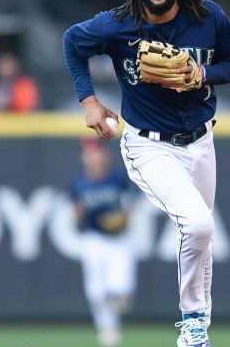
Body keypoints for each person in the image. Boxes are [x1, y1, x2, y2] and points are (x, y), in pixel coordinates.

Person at [63, 0, 230, 347]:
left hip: (201, 140)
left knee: (204, 234)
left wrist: (202, 73)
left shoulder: (208, 16)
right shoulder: (117, 24)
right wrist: (88, 100)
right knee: (197, 223)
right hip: (148, 144)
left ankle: (199, 330)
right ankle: (193, 322)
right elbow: (73, 43)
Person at [69, 138, 136, 347]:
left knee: (120, 290)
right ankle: (107, 328)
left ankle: (115, 315)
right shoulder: (78, 183)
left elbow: (130, 206)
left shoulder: (117, 178)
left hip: (118, 240)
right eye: (88, 153)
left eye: (96, 152)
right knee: (96, 291)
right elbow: (75, 216)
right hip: (93, 238)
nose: (92, 157)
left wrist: (121, 219)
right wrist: (79, 214)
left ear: (105, 154)